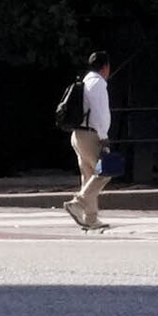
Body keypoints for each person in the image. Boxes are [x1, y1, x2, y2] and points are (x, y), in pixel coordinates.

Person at [60, 51, 114, 231]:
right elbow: (99, 113)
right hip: (92, 135)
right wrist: (104, 137)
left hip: (78, 134)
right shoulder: (98, 84)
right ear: (105, 67)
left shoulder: (86, 81)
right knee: (106, 171)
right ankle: (78, 203)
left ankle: (90, 218)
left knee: (89, 176)